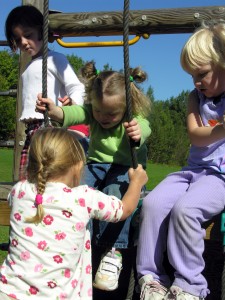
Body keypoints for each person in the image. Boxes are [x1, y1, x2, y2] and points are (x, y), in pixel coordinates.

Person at [35, 61, 151, 293]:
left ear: (127, 107)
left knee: (116, 194)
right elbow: (74, 112)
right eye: (98, 111)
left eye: (111, 113)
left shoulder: (133, 118)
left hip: (124, 167)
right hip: (97, 164)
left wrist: (137, 132)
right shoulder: (92, 112)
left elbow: (144, 127)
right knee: (75, 191)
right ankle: (74, 240)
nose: (102, 117)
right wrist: (54, 110)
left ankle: (113, 252)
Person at [0, 127, 148, 300]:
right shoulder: (83, 197)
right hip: (59, 295)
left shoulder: (19, 192)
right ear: (78, 167)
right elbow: (124, 209)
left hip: (9, 291)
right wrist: (136, 183)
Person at [136, 20, 225, 300]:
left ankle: (190, 285)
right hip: (192, 170)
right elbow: (197, 136)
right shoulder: (193, 97)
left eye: (203, 73)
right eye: (191, 75)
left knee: (186, 209)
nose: (197, 82)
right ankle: (150, 277)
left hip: (220, 177)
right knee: (152, 203)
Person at [5, 5, 87, 180]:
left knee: (47, 178)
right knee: (26, 179)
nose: (24, 42)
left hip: (48, 126)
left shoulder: (54, 59)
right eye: (18, 39)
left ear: (41, 31)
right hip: (31, 130)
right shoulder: (29, 67)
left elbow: (77, 86)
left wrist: (72, 103)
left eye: (28, 35)